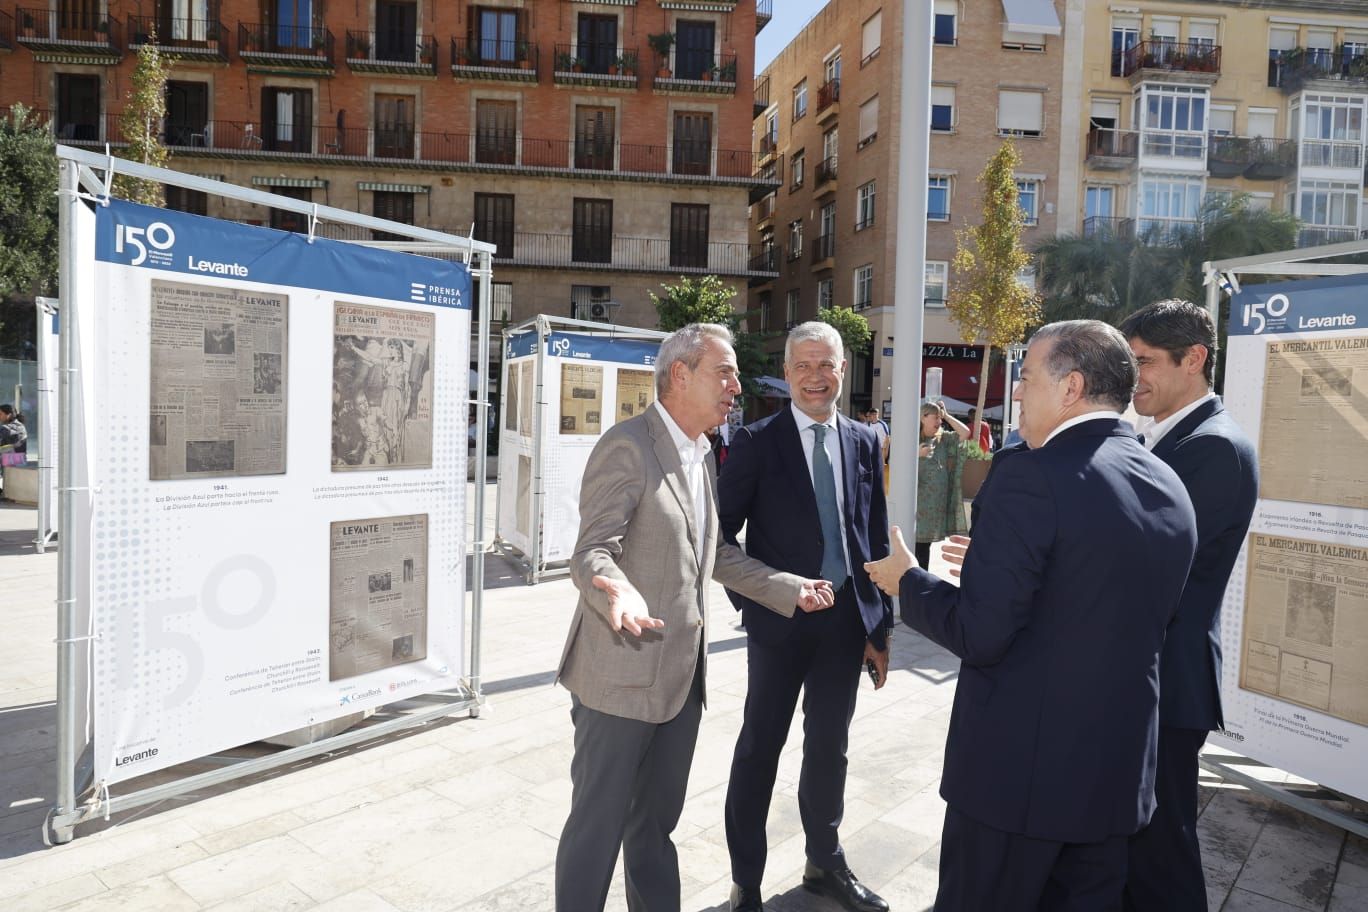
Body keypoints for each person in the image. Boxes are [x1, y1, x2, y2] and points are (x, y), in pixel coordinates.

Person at [865, 320, 1198, 912]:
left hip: (1019, 785)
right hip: (1116, 780)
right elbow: (1096, 598)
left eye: (1025, 379)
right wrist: (997, 566)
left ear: (1070, 388)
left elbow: (979, 633)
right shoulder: (1167, 482)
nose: (1016, 393)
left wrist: (906, 581)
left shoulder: (1028, 475)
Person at [555, 323, 835, 912]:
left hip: (681, 684)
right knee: (596, 833)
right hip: (618, 680)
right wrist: (616, 593)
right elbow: (592, 550)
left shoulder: (702, 453)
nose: (736, 385)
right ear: (680, 375)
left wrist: (789, 588)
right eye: (725, 372)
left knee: (654, 830)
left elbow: (717, 556)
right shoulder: (628, 445)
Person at [719, 322, 893, 912]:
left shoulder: (865, 441)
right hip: (779, 623)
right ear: (787, 372)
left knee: (829, 747)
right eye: (803, 366)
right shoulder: (755, 441)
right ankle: (746, 882)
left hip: (844, 624)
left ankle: (824, 863)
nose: (816, 377)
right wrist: (764, 597)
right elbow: (718, 537)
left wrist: (878, 625)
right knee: (759, 749)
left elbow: (871, 535)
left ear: (844, 369)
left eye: (828, 365)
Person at [1119, 301, 1259, 912]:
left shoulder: (1213, 449)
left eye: (1144, 362)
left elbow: (1151, 572)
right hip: (1145, 676)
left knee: (1161, 856)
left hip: (1169, 684)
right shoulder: (1168, 438)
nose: (1132, 378)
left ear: (1194, 358)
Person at [914, 400, 969, 570]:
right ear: (923, 418)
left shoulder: (943, 438)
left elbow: (965, 432)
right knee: (918, 549)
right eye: (935, 417)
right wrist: (916, 454)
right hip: (917, 508)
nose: (940, 422)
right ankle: (916, 584)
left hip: (933, 510)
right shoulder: (912, 438)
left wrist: (947, 415)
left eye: (940, 418)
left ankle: (919, 582)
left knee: (924, 549)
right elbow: (895, 463)